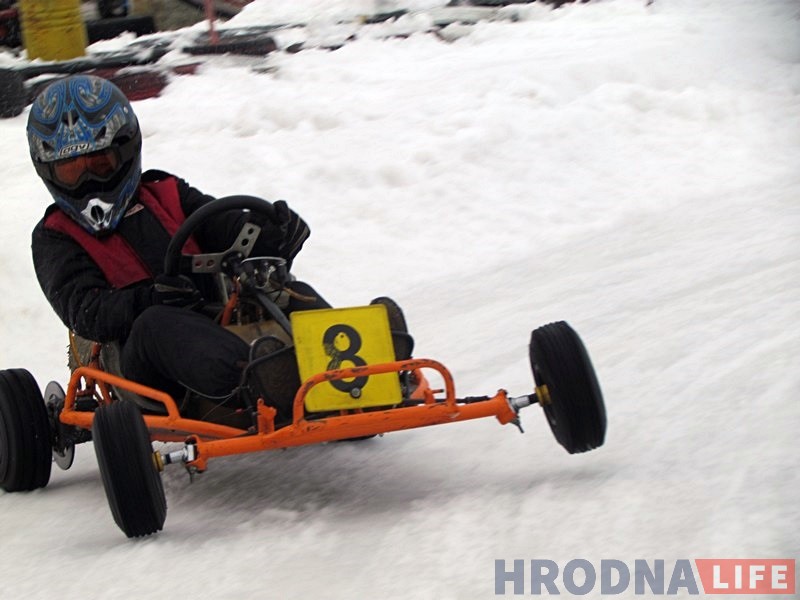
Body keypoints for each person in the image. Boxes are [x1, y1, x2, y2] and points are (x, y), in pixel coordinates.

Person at [27, 74, 330, 419]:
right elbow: (84, 310)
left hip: (216, 326)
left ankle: (359, 366)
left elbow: (229, 230)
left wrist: (273, 232)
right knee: (156, 323)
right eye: (72, 171)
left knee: (288, 292)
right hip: (136, 364)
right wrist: (148, 298)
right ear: (49, 172)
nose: (89, 181)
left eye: (100, 164)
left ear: (125, 152)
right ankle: (260, 380)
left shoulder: (167, 192)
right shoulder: (55, 236)